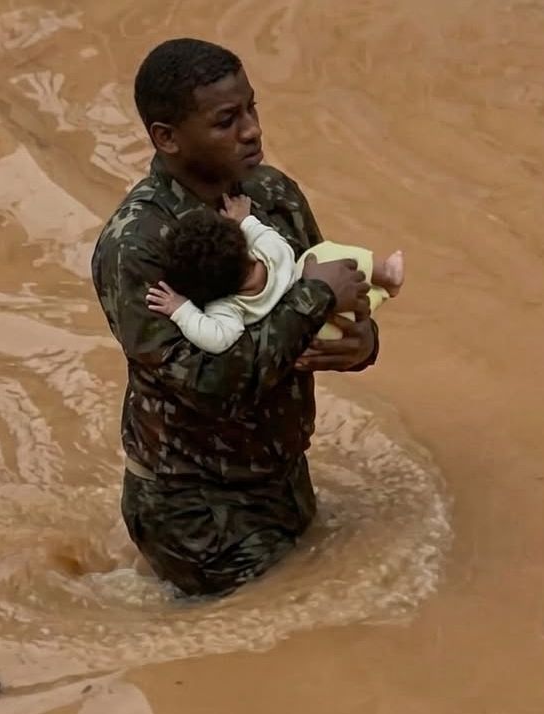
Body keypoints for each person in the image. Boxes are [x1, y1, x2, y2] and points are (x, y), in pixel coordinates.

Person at [90, 37, 382, 598]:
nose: (251, 131)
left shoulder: (272, 195)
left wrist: (362, 343)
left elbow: (338, 298)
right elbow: (209, 381)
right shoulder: (139, 245)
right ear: (167, 137)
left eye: (252, 109)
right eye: (227, 120)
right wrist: (314, 300)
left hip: (283, 472)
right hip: (194, 504)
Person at [145, 193, 404, 354]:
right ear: (244, 247)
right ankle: (387, 277)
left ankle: (382, 291)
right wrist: (244, 220)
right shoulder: (273, 252)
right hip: (339, 318)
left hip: (316, 340)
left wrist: (181, 309)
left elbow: (216, 339)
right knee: (325, 253)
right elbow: (263, 234)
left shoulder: (228, 307)